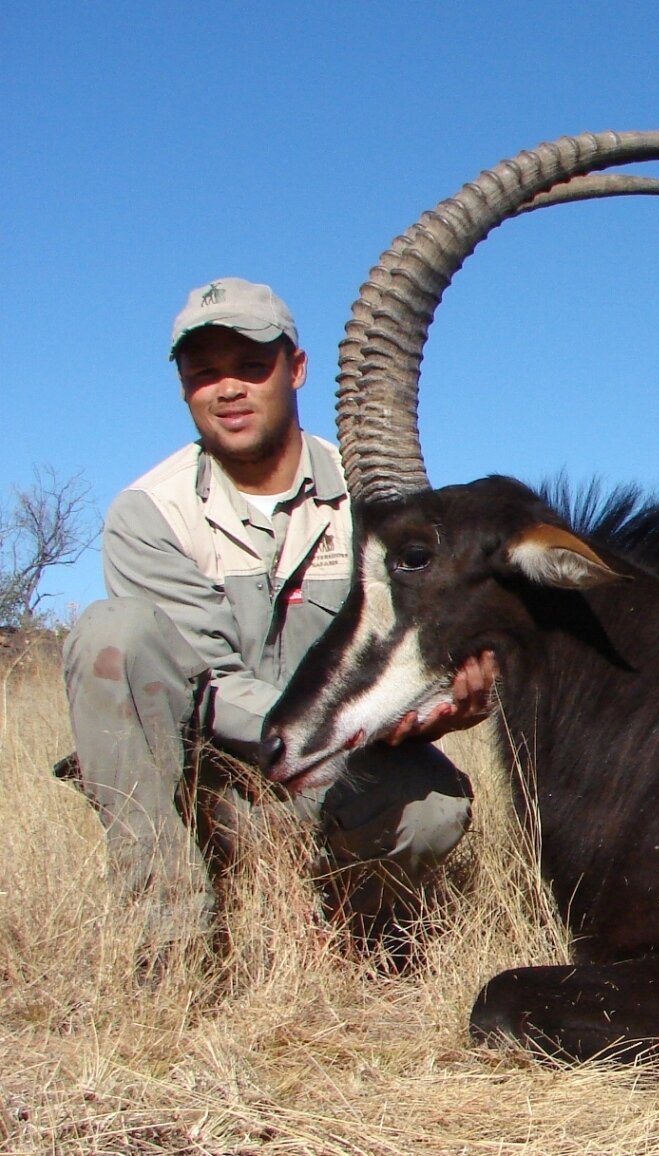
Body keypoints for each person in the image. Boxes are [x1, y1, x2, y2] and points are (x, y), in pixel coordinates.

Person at [60, 277, 495, 948]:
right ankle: (169, 935)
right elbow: (212, 684)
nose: (227, 388)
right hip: (207, 783)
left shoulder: (373, 493)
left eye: (249, 366)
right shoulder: (149, 511)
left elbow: (427, 634)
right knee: (109, 634)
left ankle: (353, 942)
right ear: (182, 387)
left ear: (295, 369)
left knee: (435, 809)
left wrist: (455, 696)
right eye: (204, 373)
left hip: (331, 772)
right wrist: (359, 721)